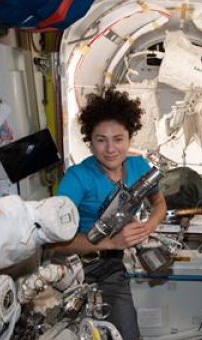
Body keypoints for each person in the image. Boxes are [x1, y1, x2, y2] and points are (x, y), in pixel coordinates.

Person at [53, 87, 167, 339]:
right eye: (100, 139)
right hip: (71, 268)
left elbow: (159, 204)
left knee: (127, 333)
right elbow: (56, 244)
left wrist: (147, 228)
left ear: (129, 138)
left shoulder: (139, 167)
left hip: (111, 267)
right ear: (90, 141)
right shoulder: (77, 178)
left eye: (118, 139)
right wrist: (112, 242)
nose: (110, 149)